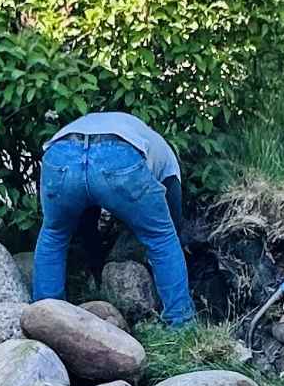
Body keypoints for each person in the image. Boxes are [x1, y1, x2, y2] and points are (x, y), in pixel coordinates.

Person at [33, 111, 196, 327]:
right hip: (119, 154)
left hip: (60, 153)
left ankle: (44, 319)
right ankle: (181, 322)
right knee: (162, 238)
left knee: (54, 235)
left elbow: (87, 208)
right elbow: (172, 222)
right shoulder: (167, 159)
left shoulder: (130, 129)